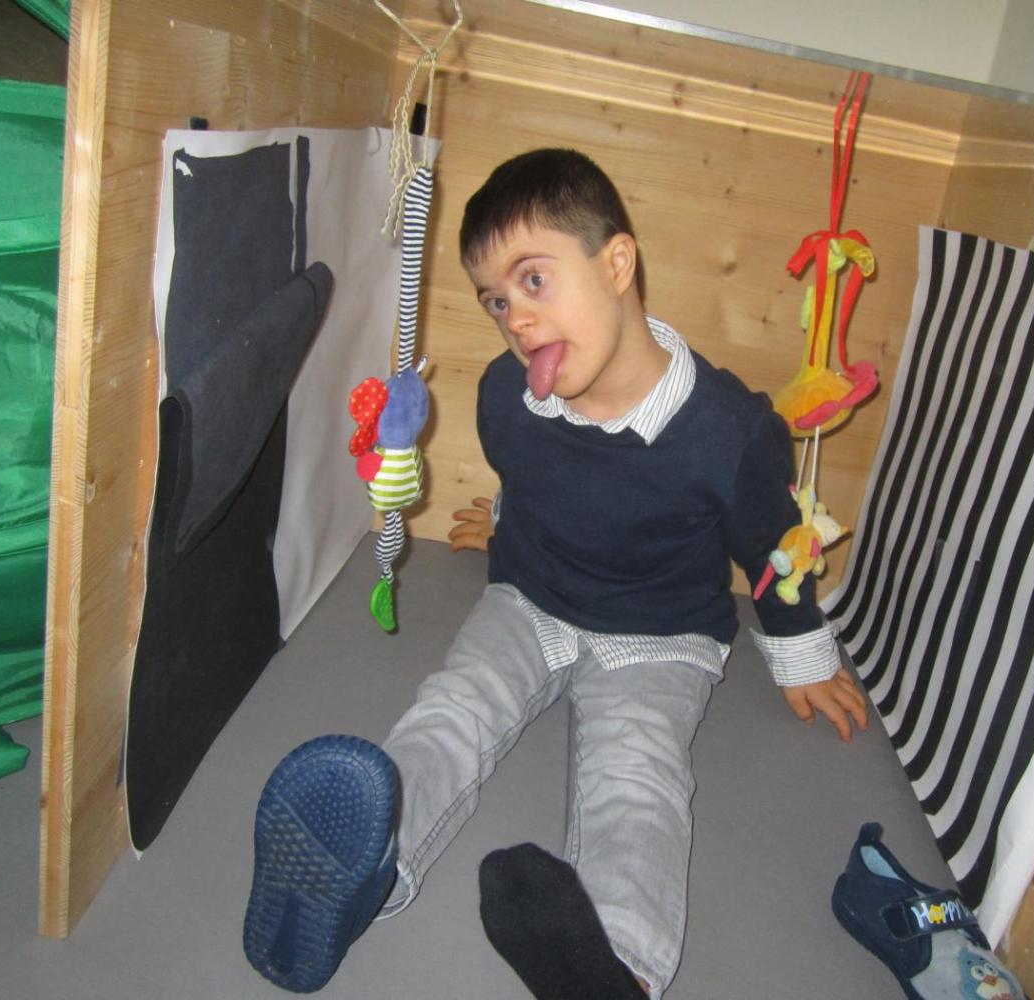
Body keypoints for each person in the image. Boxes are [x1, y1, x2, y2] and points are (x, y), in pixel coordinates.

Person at [242, 148, 868, 999]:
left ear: (616, 264)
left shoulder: (730, 432)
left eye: (534, 281)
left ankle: (617, 969)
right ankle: (360, 869)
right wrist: (502, 523)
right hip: (531, 599)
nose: (517, 319)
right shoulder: (506, 397)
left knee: (635, 774)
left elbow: (772, 547)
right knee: (454, 706)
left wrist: (803, 656)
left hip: (660, 635)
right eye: (496, 301)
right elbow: (536, 475)